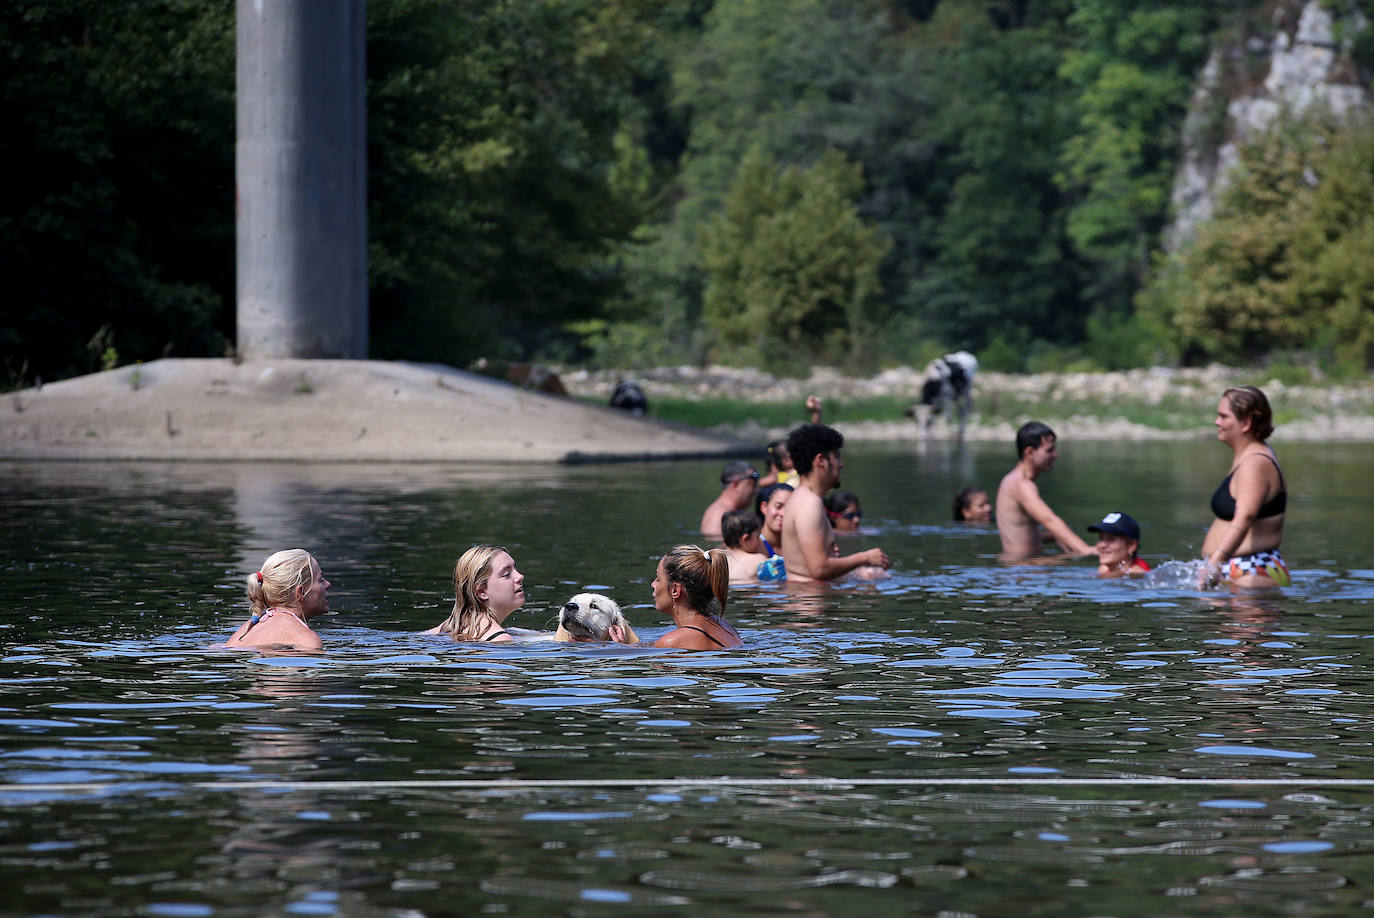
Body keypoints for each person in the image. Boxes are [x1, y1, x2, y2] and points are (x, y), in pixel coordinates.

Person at [1199, 386, 1290, 589]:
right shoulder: (1249, 457)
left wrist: (1216, 561)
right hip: (1240, 569)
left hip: (1252, 571)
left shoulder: (1255, 463)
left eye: (1223, 416)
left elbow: (1246, 516)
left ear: (1246, 422)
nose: (1217, 422)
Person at [780, 424, 889, 581]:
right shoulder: (809, 503)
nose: (841, 464)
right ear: (821, 461)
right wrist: (864, 557)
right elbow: (819, 569)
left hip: (806, 600)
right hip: (810, 603)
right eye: (837, 457)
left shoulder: (802, 498)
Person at [995, 421, 1093, 559]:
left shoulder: (1011, 480)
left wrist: (1054, 536)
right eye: (1049, 450)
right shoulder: (1022, 484)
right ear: (1030, 452)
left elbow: (1021, 532)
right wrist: (1085, 549)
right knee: (1113, 566)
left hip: (1019, 569)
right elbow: (1049, 520)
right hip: (1024, 571)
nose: (1055, 455)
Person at [225, 549, 330, 651]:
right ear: (301, 592)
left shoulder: (249, 628)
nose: (328, 584)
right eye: (321, 580)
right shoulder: (307, 640)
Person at [651, 545, 744, 650]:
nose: (653, 584)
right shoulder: (725, 626)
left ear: (675, 590)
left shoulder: (672, 642)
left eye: (658, 578)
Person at [426, 545, 526, 642]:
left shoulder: (450, 626)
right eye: (506, 574)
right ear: (482, 592)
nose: (520, 576)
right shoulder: (500, 639)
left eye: (515, 569)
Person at [721, 509, 785, 583]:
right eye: (758, 536)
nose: (760, 540)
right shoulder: (758, 560)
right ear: (745, 539)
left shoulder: (716, 558)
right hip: (748, 592)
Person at [700, 460, 759, 538]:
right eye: (752, 485)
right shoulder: (718, 519)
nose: (756, 490)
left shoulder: (731, 513)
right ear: (736, 484)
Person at [1088, 512, 1151, 577]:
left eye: (1111, 539)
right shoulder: (1105, 568)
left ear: (1131, 546)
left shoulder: (1138, 575)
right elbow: (1121, 567)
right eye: (1101, 538)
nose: (1102, 545)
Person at [756, 483, 793, 555]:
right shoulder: (752, 545)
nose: (783, 513)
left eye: (789, 508)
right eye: (778, 506)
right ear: (764, 507)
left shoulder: (797, 547)